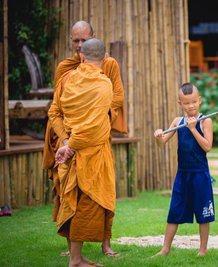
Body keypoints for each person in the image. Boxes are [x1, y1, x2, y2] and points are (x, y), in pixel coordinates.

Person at [42, 20, 125, 257]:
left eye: (84, 40)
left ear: (93, 38)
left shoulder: (108, 66)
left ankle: (105, 243)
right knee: (68, 192)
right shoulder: (65, 70)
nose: (79, 45)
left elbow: (117, 97)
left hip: (95, 138)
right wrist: (67, 138)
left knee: (102, 191)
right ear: (71, 41)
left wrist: (96, 109)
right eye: (75, 40)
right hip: (68, 139)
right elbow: (57, 108)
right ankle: (73, 250)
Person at [153, 83, 215, 257]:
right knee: (174, 211)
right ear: (180, 103)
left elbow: (207, 147)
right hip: (182, 175)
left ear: (200, 100)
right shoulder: (177, 122)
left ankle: (202, 250)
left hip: (200, 175)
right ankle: (165, 249)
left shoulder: (205, 120)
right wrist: (158, 136)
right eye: (187, 103)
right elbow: (162, 143)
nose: (191, 106)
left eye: (194, 102)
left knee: (204, 213)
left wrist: (194, 129)